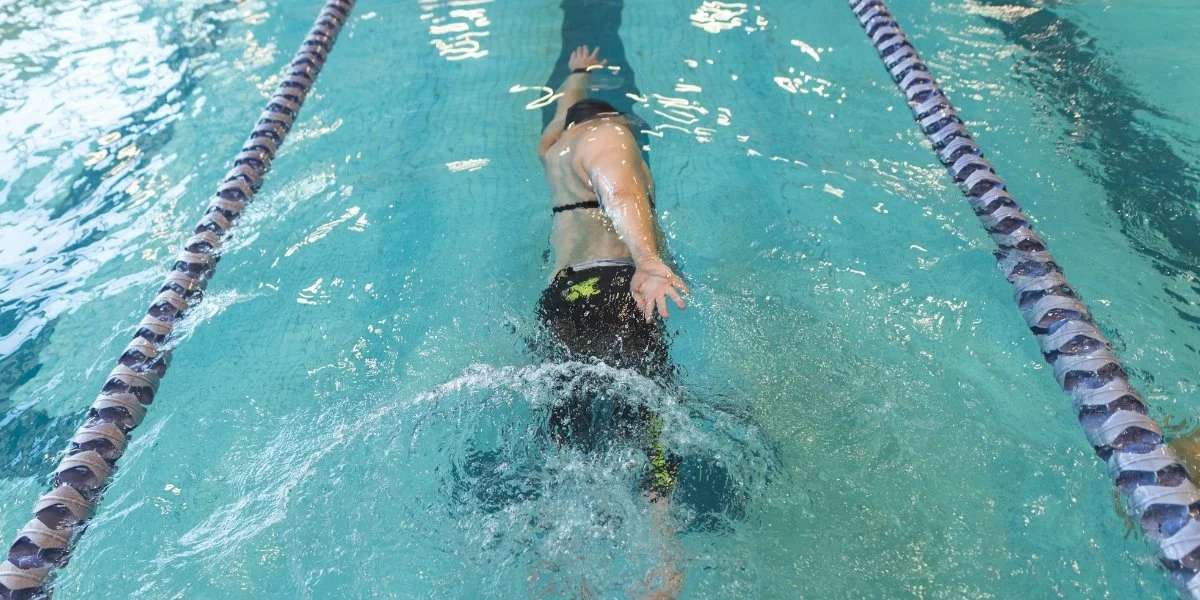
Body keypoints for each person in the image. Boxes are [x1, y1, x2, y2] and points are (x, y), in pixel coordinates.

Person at [534, 45, 687, 598]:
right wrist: (648, 261)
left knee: (566, 422)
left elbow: (556, 120)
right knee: (651, 415)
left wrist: (576, 76)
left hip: (562, 296)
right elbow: (619, 190)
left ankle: (565, 568)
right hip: (611, 288)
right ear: (614, 119)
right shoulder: (608, 136)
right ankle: (663, 564)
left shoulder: (554, 150)